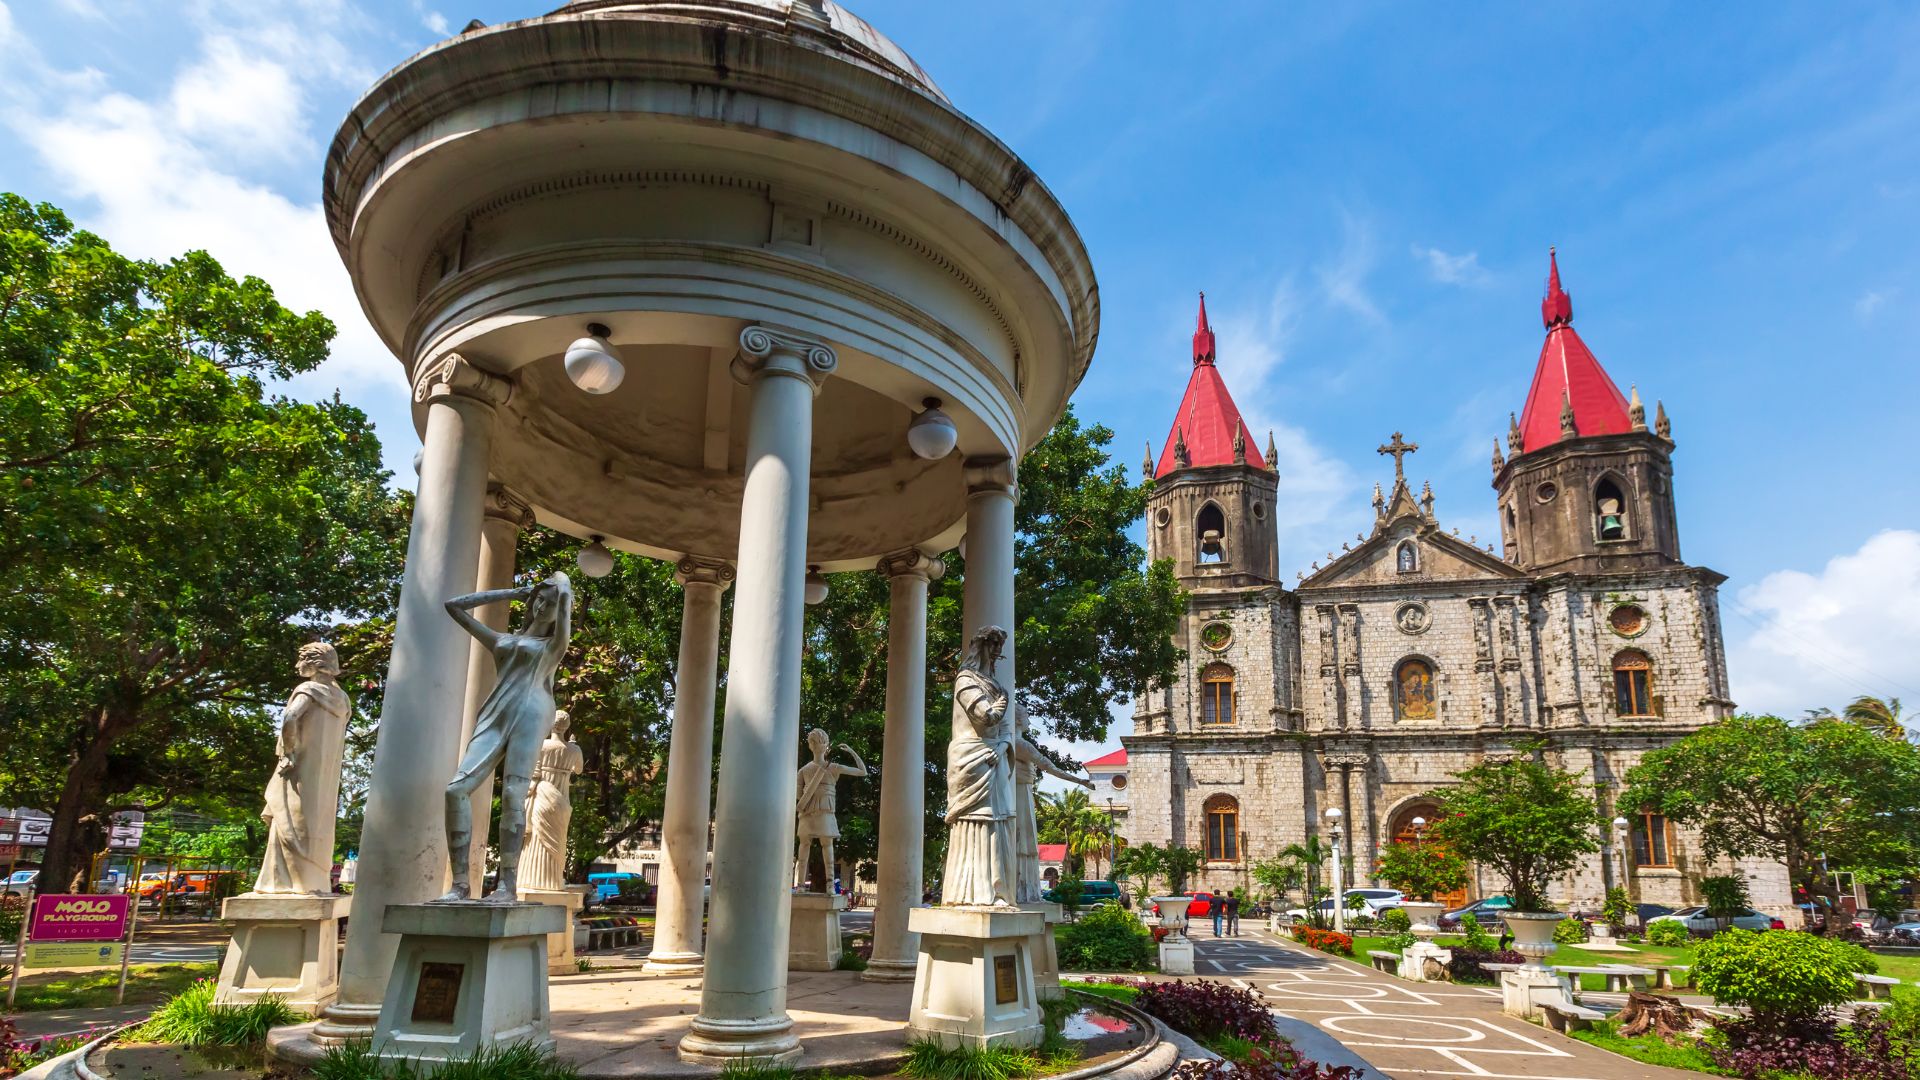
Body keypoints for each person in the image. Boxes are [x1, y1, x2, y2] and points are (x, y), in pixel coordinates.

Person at [435, 572, 574, 904]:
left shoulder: (552, 647)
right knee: (456, 789)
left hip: (532, 711)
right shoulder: (502, 641)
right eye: (540, 600)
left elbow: (565, 610)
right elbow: (454, 607)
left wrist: (563, 589)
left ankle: (506, 887)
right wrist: (514, 591)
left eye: (551, 604)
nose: (543, 607)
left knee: (514, 792)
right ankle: (460, 886)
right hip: (496, 712)